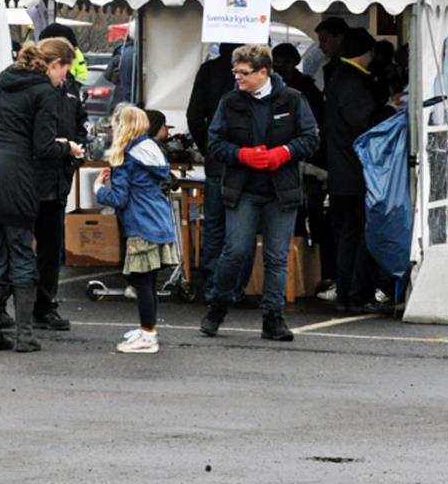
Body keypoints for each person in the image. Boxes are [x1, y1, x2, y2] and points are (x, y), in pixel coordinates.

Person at [0, 38, 81, 353]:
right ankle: (25, 335)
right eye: (64, 72)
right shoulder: (43, 92)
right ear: (54, 64)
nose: (64, 80)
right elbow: (42, 148)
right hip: (15, 177)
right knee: (21, 254)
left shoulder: (4, 81)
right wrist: (67, 147)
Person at [201, 43, 320, 343]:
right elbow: (213, 142)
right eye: (235, 72)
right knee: (236, 251)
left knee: (277, 257)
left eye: (243, 73)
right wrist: (241, 155)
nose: (237, 78)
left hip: (282, 192)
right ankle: (218, 306)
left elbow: (310, 138)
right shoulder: (229, 102)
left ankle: (273, 318)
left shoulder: (293, 99)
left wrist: (284, 152)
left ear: (263, 72)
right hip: (244, 191)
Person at [96, 104, 179, 354]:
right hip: (159, 219)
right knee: (150, 282)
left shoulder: (125, 157)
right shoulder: (152, 149)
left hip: (140, 223)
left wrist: (99, 188)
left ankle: (147, 336)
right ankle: (148, 328)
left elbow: (120, 199)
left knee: (141, 283)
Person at [322, 28, 390, 313]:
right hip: (354, 173)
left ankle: (347, 292)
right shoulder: (352, 82)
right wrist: (388, 109)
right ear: (367, 53)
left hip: (342, 171)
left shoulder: (339, 77)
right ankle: (353, 293)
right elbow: (363, 122)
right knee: (356, 233)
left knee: (349, 234)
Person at [31, 22, 88, 332]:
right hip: (30, 178)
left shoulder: (71, 91)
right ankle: (18, 304)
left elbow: (81, 124)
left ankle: (45, 305)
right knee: (22, 244)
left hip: (58, 179)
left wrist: (76, 152)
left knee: (52, 246)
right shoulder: (35, 89)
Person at [272, 41, 333, 293]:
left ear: (293, 62)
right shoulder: (277, 87)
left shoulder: (304, 88)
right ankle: (298, 267)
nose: (278, 65)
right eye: (276, 60)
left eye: (283, 61)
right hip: (286, 160)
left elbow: (316, 123)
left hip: (308, 159)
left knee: (313, 213)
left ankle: (314, 267)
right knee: (292, 214)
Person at [186, 43, 239, 304]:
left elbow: (194, 117)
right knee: (240, 225)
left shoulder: (208, 71)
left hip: (217, 161)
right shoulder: (256, 71)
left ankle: (212, 282)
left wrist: (208, 147)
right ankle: (237, 286)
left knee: (215, 223)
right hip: (244, 161)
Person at [300, 17, 348, 91]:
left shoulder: (351, 67)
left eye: (324, 40)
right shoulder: (328, 62)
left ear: (339, 38)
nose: (320, 46)